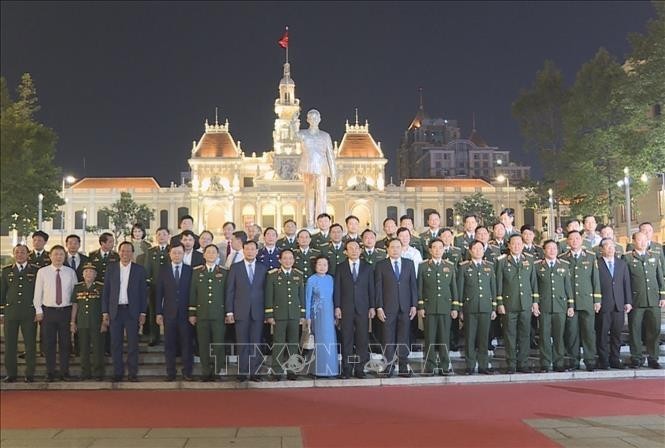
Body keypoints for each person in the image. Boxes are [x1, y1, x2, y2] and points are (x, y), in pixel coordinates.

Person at [101, 241, 147, 382]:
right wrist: (105, 312)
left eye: (128, 251)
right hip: (115, 311)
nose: (125, 253)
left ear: (132, 253)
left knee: (133, 344)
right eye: (122, 251)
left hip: (132, 311)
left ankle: (132, 373)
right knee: (116, 344)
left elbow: (143, 293)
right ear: (118, 252)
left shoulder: (139, 270)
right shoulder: (111, 268)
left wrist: (143, 313)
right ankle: (118, 372)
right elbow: (106, 291)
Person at [33, 245, 78, 381]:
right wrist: (38, 310)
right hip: (48, 312)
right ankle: (50, 372)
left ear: (65, 257)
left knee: (65, 343)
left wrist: (73, 318)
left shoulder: (70, 272)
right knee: (49, 343)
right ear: (50, 256)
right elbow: (37, 293)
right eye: (56, 254)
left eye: (61, 254)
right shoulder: (42, 272)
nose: (58, 257)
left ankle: (65, 372)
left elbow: (75, 294)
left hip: (65, 311)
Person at [374, 238, 418, 377]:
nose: (395, 249)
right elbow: (378, 288)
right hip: (387, 307)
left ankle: (404, 366)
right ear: (387, 249)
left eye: (398, 247)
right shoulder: (381, 265)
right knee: (388, 338)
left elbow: (413, 286)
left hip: (405, 307)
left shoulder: (409, 264)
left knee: (404, 337)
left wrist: (414, 305)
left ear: (401, 248)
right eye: (392, 247)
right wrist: (379, 307)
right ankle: (389, 366)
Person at [225, 240, 268, 381]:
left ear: (257, 251)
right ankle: (243, 372)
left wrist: (268, 313)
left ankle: (255, 372)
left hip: (258, 312)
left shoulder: (263, 268)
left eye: (253, 249)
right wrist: (229, 312)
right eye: (247, 249)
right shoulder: (235, 268)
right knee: (242, 343)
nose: (250, 251)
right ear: (243, 250)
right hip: (240, 311)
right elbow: (230, 291)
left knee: (256, 343)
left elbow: (266, 292)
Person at [495, 234, 538, 374]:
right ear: (509, 245)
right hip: (509, 304)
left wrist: (535, 302)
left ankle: (523, 363)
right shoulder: (501, 262)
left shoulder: (529, 260)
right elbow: (499, 284)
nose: (517, 246)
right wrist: (499, 303)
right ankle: (511, 364)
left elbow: (533, 283)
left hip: (525, 303)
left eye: (519, 243)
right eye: (514, 243)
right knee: (510, 335)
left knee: (525, 334)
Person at [559, 230, 601, 371]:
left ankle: (589, 360)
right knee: (572, 332)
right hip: (570, 302)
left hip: (586, 300)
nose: (575, 241)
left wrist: (597, 300)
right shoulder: (563, 258)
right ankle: (573, 360)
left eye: (577, 238)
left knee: (589, 332)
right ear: (567, 242)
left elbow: (595, 280)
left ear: (581, 241)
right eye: (572, 239)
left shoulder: (590, 257)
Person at [623, 231, 664, 369]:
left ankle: (653, 358)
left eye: (645, 240)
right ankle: (636, 357)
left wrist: (662, 296)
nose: (642, 242)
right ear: (634, 241)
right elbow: (626, 280)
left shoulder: (655, 256)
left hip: (653, 300)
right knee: (635, 330)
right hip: (636, 300)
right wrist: (627, 300)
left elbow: (660, 278)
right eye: (639, 240)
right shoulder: (627, 258)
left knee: (654, 330)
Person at [334, 241, 375, 379]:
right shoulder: (340, 267)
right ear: (345, 251)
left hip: (363, 308)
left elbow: (371, 289)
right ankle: (346, 368)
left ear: (360, 250)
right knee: (347, 339)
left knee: (362, 340)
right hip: (346, 308)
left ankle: (360, 368)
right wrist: (337, 306)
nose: (354, 250)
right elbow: (337, 288)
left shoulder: (367, 267)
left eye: (357, 248)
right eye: (350, 248)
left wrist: (372, 307)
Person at [417, 239, 458, 375]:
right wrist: (421, 306)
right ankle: (430, 366)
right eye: (434, 247)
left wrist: (455, 307)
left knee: (445, 338)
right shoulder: (423, 266)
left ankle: (445, 366)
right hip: (429, 308)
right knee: (430, 339)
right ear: (430, 250)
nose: (437, 250)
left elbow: (454, 288)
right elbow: (420, 288)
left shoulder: (450, 266)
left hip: (445, 307)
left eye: (440, 247)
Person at [292, 109, 336, 228]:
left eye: (316, 118)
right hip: (307, 167)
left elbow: (330, 155)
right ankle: (310, 223)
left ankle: (321, 223)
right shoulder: (302, 134)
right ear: (307, 120)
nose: (314, 120)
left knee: (322, 195)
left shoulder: (325, 136)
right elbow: (294, 136)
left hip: (321, 168)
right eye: (311, 118)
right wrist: (294, 122)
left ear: (320, 119)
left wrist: (334, 173)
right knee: (309, 196)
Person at [533, 240, 573, 372]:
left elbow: (568, 287)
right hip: (544, 305)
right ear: (544, 250)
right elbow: (535, 287)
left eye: (554, 248)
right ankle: (545, 362)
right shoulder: (537, 266)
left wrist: (570, 305)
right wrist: (535, 304)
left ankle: (558, 362)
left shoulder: (565, 265)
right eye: (549, 248)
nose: (552, 251)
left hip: (560, 305)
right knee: (544, 335)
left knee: (559, 336)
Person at [265, 249, 305, 381]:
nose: (288, 261)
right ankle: (277, 370)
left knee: (294, 343)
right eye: (285, 258)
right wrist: (269, 314)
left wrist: (302, 314)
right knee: (278, 343)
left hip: (294, 314)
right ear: (280, 260)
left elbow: (301, 296)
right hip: (279, 315)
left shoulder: (298, 275)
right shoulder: (273, 275)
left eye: (290, 258)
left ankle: (293, 369)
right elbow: (269, 296)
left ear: (294, 260)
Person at [458, 240, 497, 375]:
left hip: (486, 307)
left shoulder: (489, 267)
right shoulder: (464, 267)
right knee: (470, 338)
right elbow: (460, 289)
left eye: (480, 248)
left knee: (484, 338)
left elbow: (493, 288)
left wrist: (493, 307)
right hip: (470, 307)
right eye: (475, 248)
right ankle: (470, 365)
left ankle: (483, 365)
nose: (478, 251)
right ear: (470, 251)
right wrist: (460, 309)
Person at [189, 244, 227, 381]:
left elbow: (227, 294)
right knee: (203, 344)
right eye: (208, 252)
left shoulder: (224, 272)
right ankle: (205, 371)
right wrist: (192, 313)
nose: (211, 255)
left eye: (213, 252)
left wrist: (228, 313)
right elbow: (193, 293)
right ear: (204, 255)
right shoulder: (197, 272)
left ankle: (216, 371)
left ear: (218, 255)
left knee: (218, 343)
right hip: (202, 314)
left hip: (218, 314)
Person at [156, 244, 194, 381]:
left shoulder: (190, 271)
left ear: (184, 254)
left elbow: (193, 293)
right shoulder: (163, 270)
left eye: (179, 253)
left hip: (186, 314)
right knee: (169, 344)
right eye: (174, 253)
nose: (177, 255)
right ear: (170, 254)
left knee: (186, 343)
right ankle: (170, 372)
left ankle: (187, 371)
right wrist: (158, 313)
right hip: (169, 313)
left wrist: (193, 312)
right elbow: (158, 293)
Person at [1, 244, 38, 383]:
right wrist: (1, 313)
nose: (20, 254)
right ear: (13, 254)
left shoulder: (35, 270)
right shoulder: (6, 271)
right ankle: (11, 374)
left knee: (30, 344)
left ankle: (29, 373)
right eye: (17, 252)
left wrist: (38, 310)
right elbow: (2, 293)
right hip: (11, 312)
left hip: (29, 312)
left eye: (23, 252)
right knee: (10, 344)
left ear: (28, 254)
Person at [596, 238, 632, 370]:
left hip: (619, 304)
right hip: (603, 305)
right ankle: (603, 360)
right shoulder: (596, 264)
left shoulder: (621, 263)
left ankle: (615, 359)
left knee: (617, 334)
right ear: (601, 249)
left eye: (613, 246)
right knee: (602, 334)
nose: (611, 249)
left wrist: (628, 301)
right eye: (607, 246)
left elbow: (626, 283)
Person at [70, 262, 105, 380]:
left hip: (96, 322)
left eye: (91, 272)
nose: (88, 274)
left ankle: (98, 373)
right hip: (82, 322)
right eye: (86, 272)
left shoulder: (100, 287)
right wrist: (72, 322)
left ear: (95, 275)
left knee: (97, 349)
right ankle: (85, 372)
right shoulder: (78, 287)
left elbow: (104, 306)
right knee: (83, 349)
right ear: (83, 274)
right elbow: (75, 305)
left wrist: (104, 322)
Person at [305, 255, 339, 377]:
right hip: (317, 315)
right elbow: (308, 299)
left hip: (330, 314)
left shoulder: (331, 279)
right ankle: (317, 370)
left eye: (325, 264)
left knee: (330, 340)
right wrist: (307, 317)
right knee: (318, 341)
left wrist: (336, 314)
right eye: (319, 264)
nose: (322, 267)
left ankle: (332, 369)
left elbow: (335, 297)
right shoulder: (311, 280)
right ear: (315, 266)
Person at [143, 226, 171, 347]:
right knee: (154, 311)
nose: (161, 237)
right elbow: (147, 268)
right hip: (154, 286)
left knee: (170, 312)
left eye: (164, 234)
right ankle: (154, 336)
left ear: (168, 236)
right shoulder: (151, 251)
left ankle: (170, 337)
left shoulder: (172, 249)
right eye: (159, 234)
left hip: (170, 287)